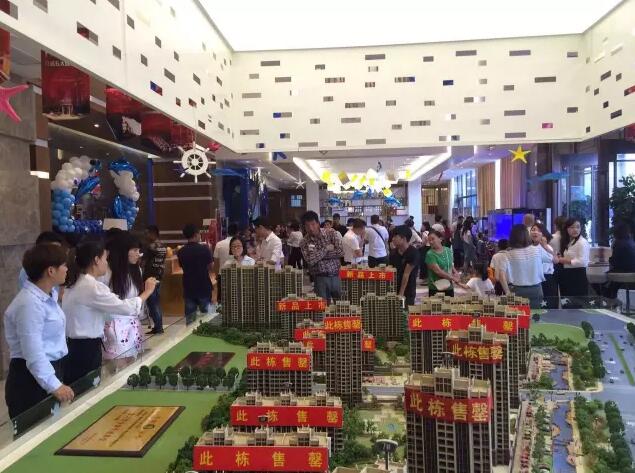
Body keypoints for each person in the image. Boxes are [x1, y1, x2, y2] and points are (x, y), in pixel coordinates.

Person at [62, 241, 157, 384]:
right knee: (87, 388)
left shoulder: (77, 283)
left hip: (77, 345)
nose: (106, 263)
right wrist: (147, 292)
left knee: (82, 387)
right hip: (86, 347)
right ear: (96, 260)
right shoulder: (92, 287)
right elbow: (125, 307)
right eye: (105, 259)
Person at [4, 244, 74, 419]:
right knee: (37, 430)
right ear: (51, 271)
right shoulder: (29, 303)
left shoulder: (49, 296)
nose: (67, 269)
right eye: (64, 265)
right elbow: (33, 352)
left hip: (49, 370)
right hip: (30, 379)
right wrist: (54, 385)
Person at [101, 232, 145, 362]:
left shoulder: (137, 270)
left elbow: (137, 301)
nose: (138, 254)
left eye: (139, 250)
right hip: (113, 326)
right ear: (123, 251)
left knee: (133, 363)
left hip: (133, 324)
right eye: (134, 250)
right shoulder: (107, 272)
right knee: (117, 365)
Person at [499, 224, 554, 309]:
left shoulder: (507, 254)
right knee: (536, 314)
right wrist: (546, 247)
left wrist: (507, 292)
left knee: (519, 315)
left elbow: (501, 275)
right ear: (527, 236)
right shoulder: (537, 250)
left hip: (517, 290)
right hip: (536, 289)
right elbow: (554, 259)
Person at [300, 211, 344, 304]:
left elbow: (340, 252)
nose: (311, 228)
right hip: (319, 278)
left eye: (313, 224)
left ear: (318, 223)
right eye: (307, 225)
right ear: (304, 227)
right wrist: (326, 248)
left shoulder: (331, 233)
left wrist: (318, 255)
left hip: (336, 275)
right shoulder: (304, 242)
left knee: (341, 305)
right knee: (323, 307)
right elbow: (310, 260)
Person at [178, 224, 214, 324]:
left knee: (190, 319)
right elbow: (211, 266)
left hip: (189, 288)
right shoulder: (204, 249)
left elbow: (181, 266)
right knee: (207, 317)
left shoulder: (181, 251)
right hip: (203, 286)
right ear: (195, 234)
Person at [555, 218, 590, 298]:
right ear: (566, 229)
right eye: (572, 227)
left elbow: (583, 262)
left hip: (578, 276)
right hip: (567, 275)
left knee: (577, 302)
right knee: (567, 302)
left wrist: (564, 260)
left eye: (578, 227)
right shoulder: (569, 241)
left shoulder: (582, 242)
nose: (575, 230)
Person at [143, 225, 167, 334]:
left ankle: (158, 327)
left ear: (153, 233)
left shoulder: (150, 247)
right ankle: (159, 326)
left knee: (153, 303)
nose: (146, 236)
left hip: (150, 277)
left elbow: (143, 262)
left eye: (147, 233)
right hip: (159, 276)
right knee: (156, 302)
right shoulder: (163, 246)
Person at [425, 230, 462, 297]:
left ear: (440, 239)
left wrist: (455, 272)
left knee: (449, 303)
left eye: (433, 239)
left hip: (449, 286)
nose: (431, 242)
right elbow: (438, 271)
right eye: (429, 240)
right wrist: (453, 278)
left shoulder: (448, 250)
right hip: (436, 288)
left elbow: (450, 264)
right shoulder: (430, 254)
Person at [390, 225, 420, 306]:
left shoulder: (413, 253)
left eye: (395, 236)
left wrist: (400, 294)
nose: (393, 239)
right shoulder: (393, 253)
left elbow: (406, 274)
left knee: (406, 310)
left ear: (403, 239)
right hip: (394, 288)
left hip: (408, 290)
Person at [530, 223, 558, 308]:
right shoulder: (528, 247)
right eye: (533, 230)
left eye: (539, 231)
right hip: (533, 280)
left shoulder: (547, 247)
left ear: (543, 234)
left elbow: (555, 260)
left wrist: (545, 247)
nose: (535, 232)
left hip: (547, 279)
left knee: (549, 306)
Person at [605, 222, 635, 298]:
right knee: (614, 280)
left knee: (605, 275)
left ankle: (609, 296)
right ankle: (611, 295)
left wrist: (608, 259)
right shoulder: (631, 242)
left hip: (624, 271)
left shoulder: (618, 242)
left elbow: (614, 261)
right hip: (632, 270)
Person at [213, 223, 238, 300]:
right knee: (236, 298)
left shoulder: (219, 244)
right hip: (237, 274)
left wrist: (216, 275)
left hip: (222, 274)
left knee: (221, 299)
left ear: (227, 232)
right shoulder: (239, 244)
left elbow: (216, 262)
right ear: (237, 233)